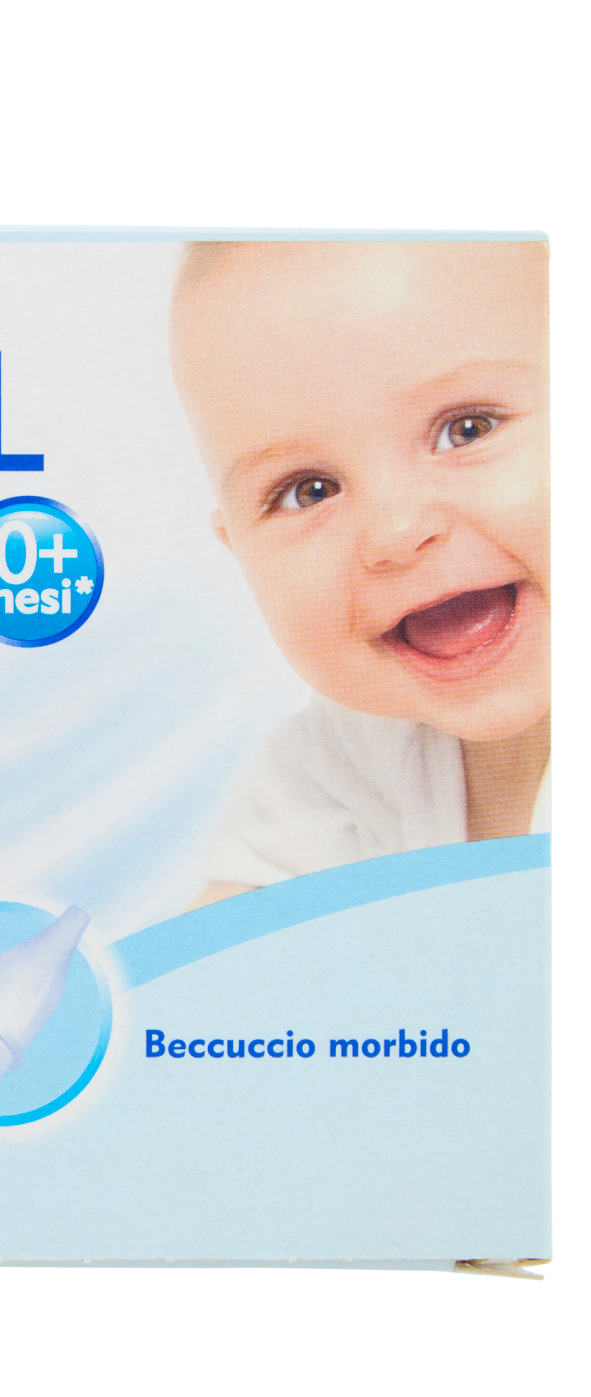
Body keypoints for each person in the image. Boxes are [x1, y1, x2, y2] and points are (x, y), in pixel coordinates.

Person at [169, 239, 549, 905]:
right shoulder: (342, 762)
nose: (395, 532)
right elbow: (229, 945)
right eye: (309, 491)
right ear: (239, 552)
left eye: (468, 429)